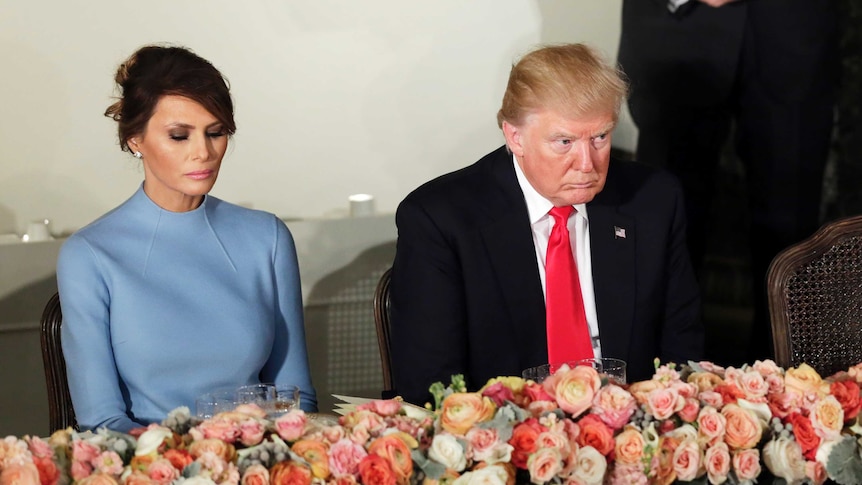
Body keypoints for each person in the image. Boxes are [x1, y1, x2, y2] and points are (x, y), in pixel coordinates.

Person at [389, 43, 704, 406]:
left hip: (631, 433)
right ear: (515, 137)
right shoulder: (440, 220)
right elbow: (431, 385)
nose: (587, 163)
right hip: (504, 440)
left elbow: (684, 357)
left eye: (600, 137)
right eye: (564, 142)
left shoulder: (653, 201)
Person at [57, 45, 317, 432]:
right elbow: (102, 421)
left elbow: (297, 399)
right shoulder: (90, 255)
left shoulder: (268, 237)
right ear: (135, 140)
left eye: (216, 133)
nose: (204, 152)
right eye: (179, 136)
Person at [617, 0, 840, 362]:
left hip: (791, 28)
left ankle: (784, 392)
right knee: (666, 223)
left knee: (789, 225)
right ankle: (658, 393)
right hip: (675, 23)